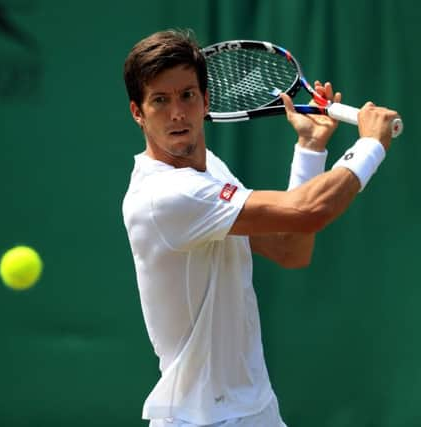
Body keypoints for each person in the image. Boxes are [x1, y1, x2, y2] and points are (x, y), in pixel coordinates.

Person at [122, 29, 399, 427]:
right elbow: (311, 210)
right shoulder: (163, 196)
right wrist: (371, 145)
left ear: (206, 101)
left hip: (254, 410)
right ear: (138, 112)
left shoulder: (211, 170)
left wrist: (311, 150)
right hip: (201, 419)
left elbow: (291, 250)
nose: (178, 113)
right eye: (160, 101)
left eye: (187, 95)